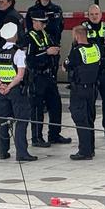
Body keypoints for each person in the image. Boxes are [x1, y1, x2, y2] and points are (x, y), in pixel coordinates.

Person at [0, 22, 36, 162]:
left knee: (3, 122)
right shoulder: (18, 53)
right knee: (21, 121)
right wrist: (9, 86)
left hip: (2, 91)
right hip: (16, 91)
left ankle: (3, 152)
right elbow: (20, 74)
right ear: (15, 35)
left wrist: (1, 84)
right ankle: (22, 153)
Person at [25, 14, 71, 148]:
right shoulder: (28, 38)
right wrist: (47, 53)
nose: (40, 25)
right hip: (37, 77)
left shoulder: (47, 35)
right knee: (37, 108)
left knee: (56, 105)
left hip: (49, 76)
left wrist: (55, 52)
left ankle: (54, 134)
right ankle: (36, 137)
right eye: (37, 22)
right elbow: (29, 60)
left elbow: (53, 50)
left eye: (42, 23)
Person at [79, 4, 105, 139]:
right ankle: (89, 128)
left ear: (101, 15)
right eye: (91, 14)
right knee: (89, 100)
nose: (94, 17)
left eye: (96, 14)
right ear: (88, 15)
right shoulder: (83, 28)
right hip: (90, 70)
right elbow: (77, 47)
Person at [63, 25, 101, 160]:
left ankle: (84, 151)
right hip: (92, 89)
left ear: (77, 36)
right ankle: (90, 149)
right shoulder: (96, 48)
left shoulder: (76, 52)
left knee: (80, 119)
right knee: (90, 119)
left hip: (79, 89)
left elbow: (65, 66)